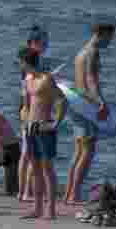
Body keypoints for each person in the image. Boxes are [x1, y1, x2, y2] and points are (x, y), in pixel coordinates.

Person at [63, 23, 115, 205]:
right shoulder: (93, 52)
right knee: (87, 151)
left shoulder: (81, 52)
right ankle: (74, 195)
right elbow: (91, 80)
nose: (110, 42)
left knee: (78, 151)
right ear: (100, 34)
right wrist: (101, 103)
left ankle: (68, 193)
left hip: (77, 104)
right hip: (88, 105)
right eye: (109, 37)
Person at [19, 48, 68, 219]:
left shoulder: (46, 79)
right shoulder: (27, 79)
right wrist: (24, 122)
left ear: (26, 62)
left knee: (47, 169)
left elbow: (62, 100)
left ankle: (51, 210)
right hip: (30, 128)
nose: (20, 65)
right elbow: (26, 105)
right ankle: (37, 208)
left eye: (21, 62)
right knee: (35, 169)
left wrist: (56, 123)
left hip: (45, 127)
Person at [18, 25, 50, 204]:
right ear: (33, 43)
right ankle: (26, 191)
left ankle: (25, 190)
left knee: (28, 153)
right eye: (42, 42)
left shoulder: (30, 59)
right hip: (29, 108)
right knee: (29, 153)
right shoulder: (30, 60)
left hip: (28, 106)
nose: (45, 45)